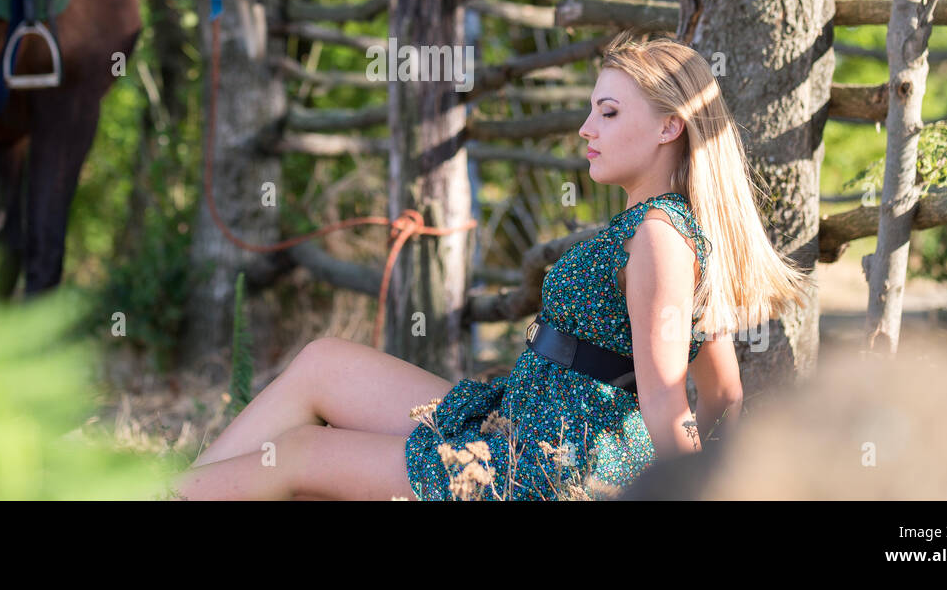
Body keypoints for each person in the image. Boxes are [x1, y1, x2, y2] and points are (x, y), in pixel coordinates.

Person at [173, 31, 815, 500]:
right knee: (323, 363)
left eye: (609, 112)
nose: (586, 128)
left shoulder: (659, 239)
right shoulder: (670, 228)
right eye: (592, 108)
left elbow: (667, 407)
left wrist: (653, 488)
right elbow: (724, 394)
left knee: (296, 457)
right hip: (518, 413)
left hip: (535, 467)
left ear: (670, 127)